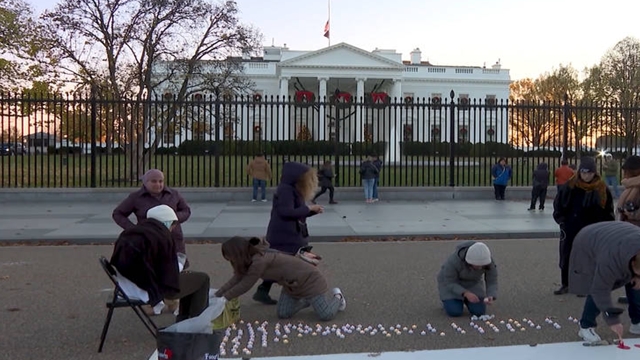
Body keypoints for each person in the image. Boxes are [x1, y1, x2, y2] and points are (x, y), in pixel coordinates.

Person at [110, 205, 210, 322]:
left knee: (189, 278)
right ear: (168, 222)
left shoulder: (131, 232)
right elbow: (168, 274)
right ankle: (195, 323)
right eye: (173, 225)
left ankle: (184, 319)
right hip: (148, 288)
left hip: (124, 285)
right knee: (202, 279)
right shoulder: (161, 236)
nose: (172, 229)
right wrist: (180, 263)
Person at [215, 237, 346, 321]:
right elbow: (237, 278)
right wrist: (217, 295)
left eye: (230, 257)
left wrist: (225, 298)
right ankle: (307, 301)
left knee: (326, 315)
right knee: (283, 314)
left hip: (310, 281)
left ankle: (338, 297)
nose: (229, 260)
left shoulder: (259, 260)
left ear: (238, 253)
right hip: (291, 285)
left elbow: (245, 284)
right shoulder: (249, 260)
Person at [254, 162, 324, 305]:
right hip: (285, 235)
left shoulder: (292, 189)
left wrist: (311, 212)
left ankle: (263, 291)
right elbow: (286, 212)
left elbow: (296, 213)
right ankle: (297, 294)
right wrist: (309, 209)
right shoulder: (286, 190)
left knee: (279, 264)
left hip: (289, 234)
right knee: (293, 264)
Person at [568, 221, 640, 342]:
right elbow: (600, 290)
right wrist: (613, 320)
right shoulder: (610, 261)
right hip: (588, 240)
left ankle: (637, 320)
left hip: (620, 235)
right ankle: (586, 325)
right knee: (596, 285)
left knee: (636, 285)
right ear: (632, 263)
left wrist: (638, 277)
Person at [552, 156, 614, 295]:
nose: (586, 176)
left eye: (589, 173)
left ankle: (585, 285)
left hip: (593, 228)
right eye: (584, 173)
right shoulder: (570, 186)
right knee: (567, 255)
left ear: (594, 173)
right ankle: (566, 283)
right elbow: (559, 204)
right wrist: (562, 220)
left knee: (588, 257)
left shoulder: (601, 188)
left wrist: (606, 227)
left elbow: (608, 210)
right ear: (579, 172)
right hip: (571, 226)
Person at [112, 169, 191, 258]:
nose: (158, 184)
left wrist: (173, 218)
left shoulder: (174, 194)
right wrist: (133, 228)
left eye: (161, 181)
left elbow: (186, 210)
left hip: (173, 240)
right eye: (154, 181)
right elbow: (118, 213)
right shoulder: (136, 197)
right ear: (146, 182)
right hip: (148, 240)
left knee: (175, 268)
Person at [437, 241, 498, 317]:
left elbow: (492, 280)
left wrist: (491, 295)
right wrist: (466, 293)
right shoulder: (453, 261)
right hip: (451, 284)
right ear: (469, 261)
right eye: (477, 265)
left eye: (482, 266)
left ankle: (466, 301)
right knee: (455, 312)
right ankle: (449, 301)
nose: (480, 268)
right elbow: (450, 282)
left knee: (479, 312)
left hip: (473, 284)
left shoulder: (488, 261)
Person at [615, 156, 640, 305]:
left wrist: (631, 213)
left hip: (636, 229)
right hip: (628, 229)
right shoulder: (630, 186)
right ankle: (633, 294)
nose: (624, 174)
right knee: (630, 267)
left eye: (626, 171)